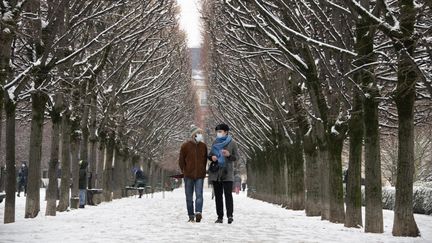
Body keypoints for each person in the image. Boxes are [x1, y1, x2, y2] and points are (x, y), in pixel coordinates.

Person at [208, 123, 239, 224]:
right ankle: (219, 217)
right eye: (217, 131)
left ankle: (230, 216)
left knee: (228, 195)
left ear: (226, 132)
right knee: (218, 196)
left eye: (220, 131)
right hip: (216, 173)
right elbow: (210, 155)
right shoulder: (215, 142)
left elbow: (236, 157)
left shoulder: (232, 143)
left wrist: (229, 155)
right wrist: (212, 158)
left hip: (227, 173)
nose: (218, 133)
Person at [178, 125, 208, 222]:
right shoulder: (185, 146)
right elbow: (181, 161)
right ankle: (191, 215)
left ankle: (198, 212)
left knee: (199, 195)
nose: (200, 135)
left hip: (200, 175)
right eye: (198, 133)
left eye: (200, 133)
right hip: (188, 175)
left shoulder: (203, 146)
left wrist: (203, 170)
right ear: (193, 135)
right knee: (189, 197)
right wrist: (184, 171)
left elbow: (204, 160)